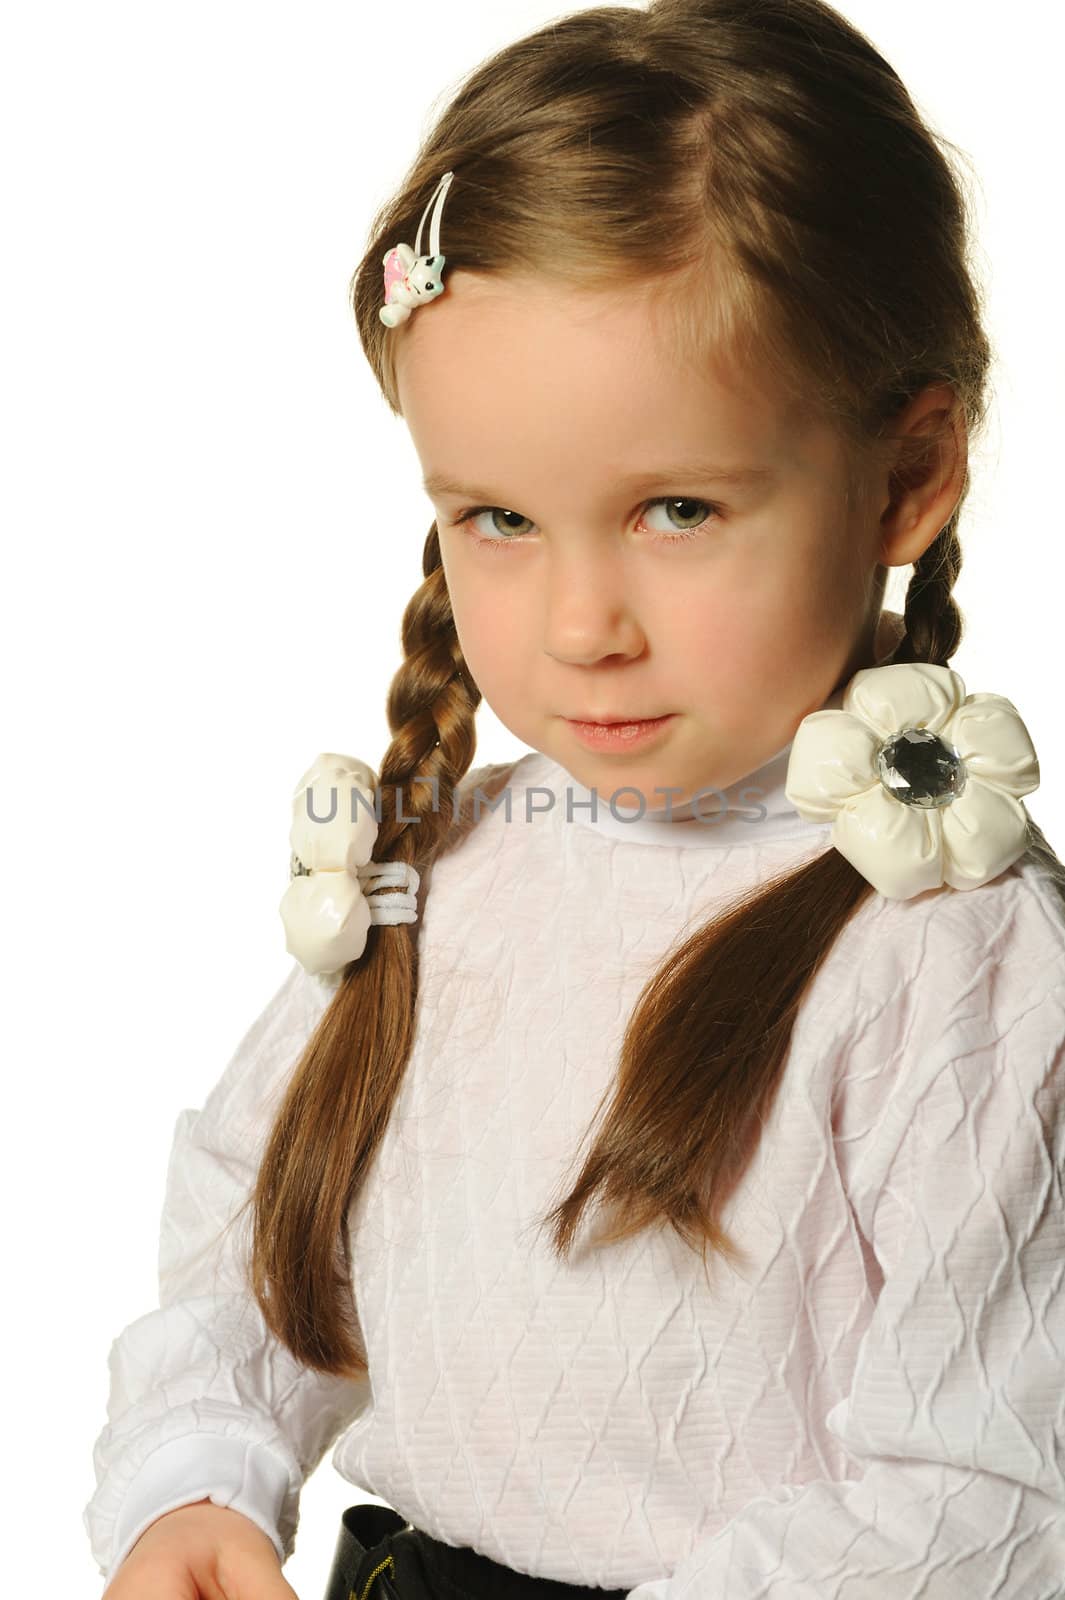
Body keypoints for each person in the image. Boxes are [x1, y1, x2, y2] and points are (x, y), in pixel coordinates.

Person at [84, 0, 1065, 1595]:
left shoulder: (949, 962)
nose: (577, 627)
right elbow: (262, 1236)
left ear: (903, 477)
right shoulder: (454, 870)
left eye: (676, 508)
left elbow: (990, 1493)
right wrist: (195, 1479)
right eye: (497, 517)